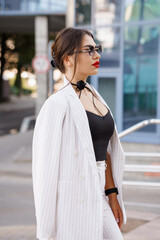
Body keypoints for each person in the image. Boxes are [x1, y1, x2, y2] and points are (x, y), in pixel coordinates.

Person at [32, 27, 127, 240]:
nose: (97, 55)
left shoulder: (94, 95)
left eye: (97, 49)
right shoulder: (57, 104)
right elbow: (44, 172)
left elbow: (104, 149)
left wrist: (112, 193)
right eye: (89, 50)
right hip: (73, 202)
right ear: (68, 59)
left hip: (99, 195)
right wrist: (45, 231)